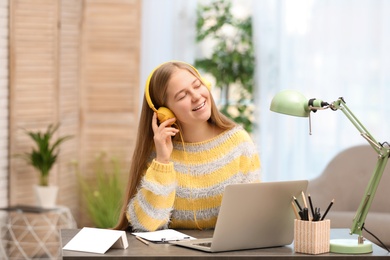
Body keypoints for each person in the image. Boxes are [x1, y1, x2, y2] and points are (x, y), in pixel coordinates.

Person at [114, 61, 261, 232]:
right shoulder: (158, 153)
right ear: (164, 112)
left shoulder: (239, 143)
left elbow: (252, 216)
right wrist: (163, 161)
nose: (197, 96)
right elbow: (145, 224)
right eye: (182, 96)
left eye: (197, 85)